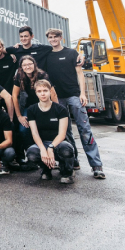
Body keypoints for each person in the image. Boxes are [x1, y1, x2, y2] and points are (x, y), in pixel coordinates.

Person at [45, 28, 105, 179]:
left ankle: (96, 165)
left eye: (55, 37)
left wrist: (82, 93)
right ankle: (74, 161)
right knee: (65, 132)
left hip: (74, 96)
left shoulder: (71, 53)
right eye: (50, 37)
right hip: (58, 98)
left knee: (84, 129)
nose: (53, 39)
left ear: (61, 38)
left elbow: (80, 74)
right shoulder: (47, 56)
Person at [25, 79, 75, 183]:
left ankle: (67, 171)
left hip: (59, 143)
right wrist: (43, 149)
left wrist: (51, 147)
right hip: (42, 143)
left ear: (50, 91)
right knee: (31, 154)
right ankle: (46, 169)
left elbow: (62, 134)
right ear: (36, 93)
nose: (42, 94)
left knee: (67, 150)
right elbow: (34, 132)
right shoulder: (31, 110)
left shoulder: (60, 109)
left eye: (45, 90)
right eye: (39, 91)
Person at [11, 55, 56, 168]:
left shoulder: (42, 75)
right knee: (23, 129)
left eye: (30, 64)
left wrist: (56, 111)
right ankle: (32, 156)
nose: (27, 66)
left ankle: (52, 156)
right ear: (21, 67)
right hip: (29, 108)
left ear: (34, 64)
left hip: (43, 106)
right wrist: (19, 116)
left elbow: (53, 93)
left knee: (45, 129)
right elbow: (14, 96)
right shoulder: (19, 76)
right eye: (24, 65)